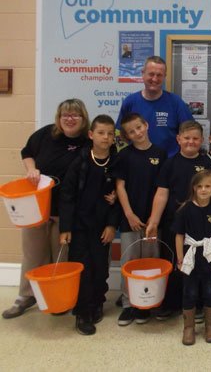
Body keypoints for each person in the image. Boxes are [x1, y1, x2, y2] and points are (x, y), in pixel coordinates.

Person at [2, 99, 91, 320]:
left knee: (60, 256)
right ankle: (26, 296)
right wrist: (32, 170)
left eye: (75, 115)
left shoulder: (87, 142)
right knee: (33, 254)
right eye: (65, 115)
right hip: (35, 208)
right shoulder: (45, 135)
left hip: (66, 211)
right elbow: (27, 152)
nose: (69, 119)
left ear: (83, 119)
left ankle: (57, 297)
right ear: (59, 118)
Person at [59, 115, 121, 335]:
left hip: (102, 228)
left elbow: (120, 198)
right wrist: (65, 228)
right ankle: (83, 312)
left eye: (110, 133)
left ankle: (96, 303)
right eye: (101, 133)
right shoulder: (80, 161)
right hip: (79, 227)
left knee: (100, 268)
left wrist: (112, 225)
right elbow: (66, 196)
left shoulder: (116, 163)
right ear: (91, 135)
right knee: (82, 269)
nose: (105, 137)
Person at [146, 120, 207, 319]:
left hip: (201, 225)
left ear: (202, 140)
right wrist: (154, 221)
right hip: (173, 223)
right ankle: (171, 303)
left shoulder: (207, 163)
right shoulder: (170, 163)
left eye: (195, 138)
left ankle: (197, 305)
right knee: (173, 262)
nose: (191, 142)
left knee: (197, 265)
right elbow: (162, 193)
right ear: (178, 139)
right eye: (187, 138)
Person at [114, 112, 167, 326]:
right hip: (130, 219)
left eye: (139, 127)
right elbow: (120, 187)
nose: (137, 133)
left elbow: (162, 190)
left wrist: (154, 219)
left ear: (146, 125)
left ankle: (150, 302)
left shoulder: (161, 154)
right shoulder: (124, 156)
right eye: (131, 131)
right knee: (130, 262)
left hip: (153, 220)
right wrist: (129, 213)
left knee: (151, 261)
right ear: (127, 136)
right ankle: (129, 303)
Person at [174, 170, 211, 345]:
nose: (204, 190)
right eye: (200, 186)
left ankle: (210, 325)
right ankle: (188, 328)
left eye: (208, 186)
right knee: (190, 291)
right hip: (190, 257)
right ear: (194, 188)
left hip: (209, 257)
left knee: (210, 291)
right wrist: (180, 259)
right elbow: (179, 236)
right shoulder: (185, 209)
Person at [117, 56, 193, 157]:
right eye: (151, 74)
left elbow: (191, 133)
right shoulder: (130, 102)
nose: (155, 79)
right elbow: (120, 134)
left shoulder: (176, 103)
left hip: (168, 165)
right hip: (137, 163)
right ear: (143, 73)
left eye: (159, 75)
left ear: (164, 76)